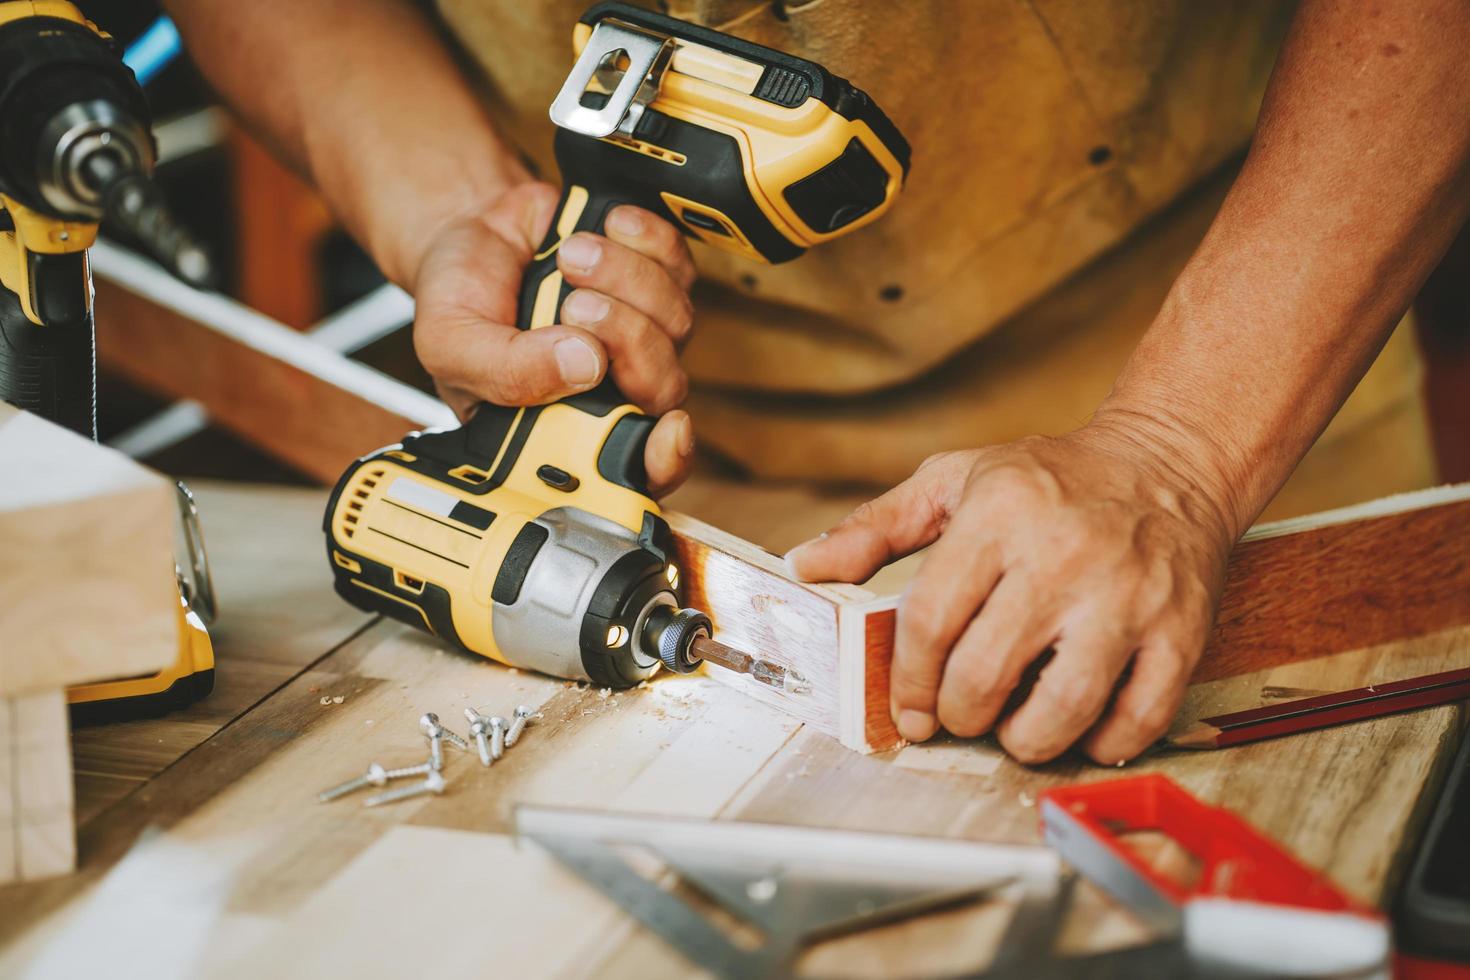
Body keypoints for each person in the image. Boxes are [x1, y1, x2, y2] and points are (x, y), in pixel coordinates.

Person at [166, 0, 1470, 763]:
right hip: (686, 440)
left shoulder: (1199, 437)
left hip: (1226, 380)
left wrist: (1179, 447)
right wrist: (463, 214)